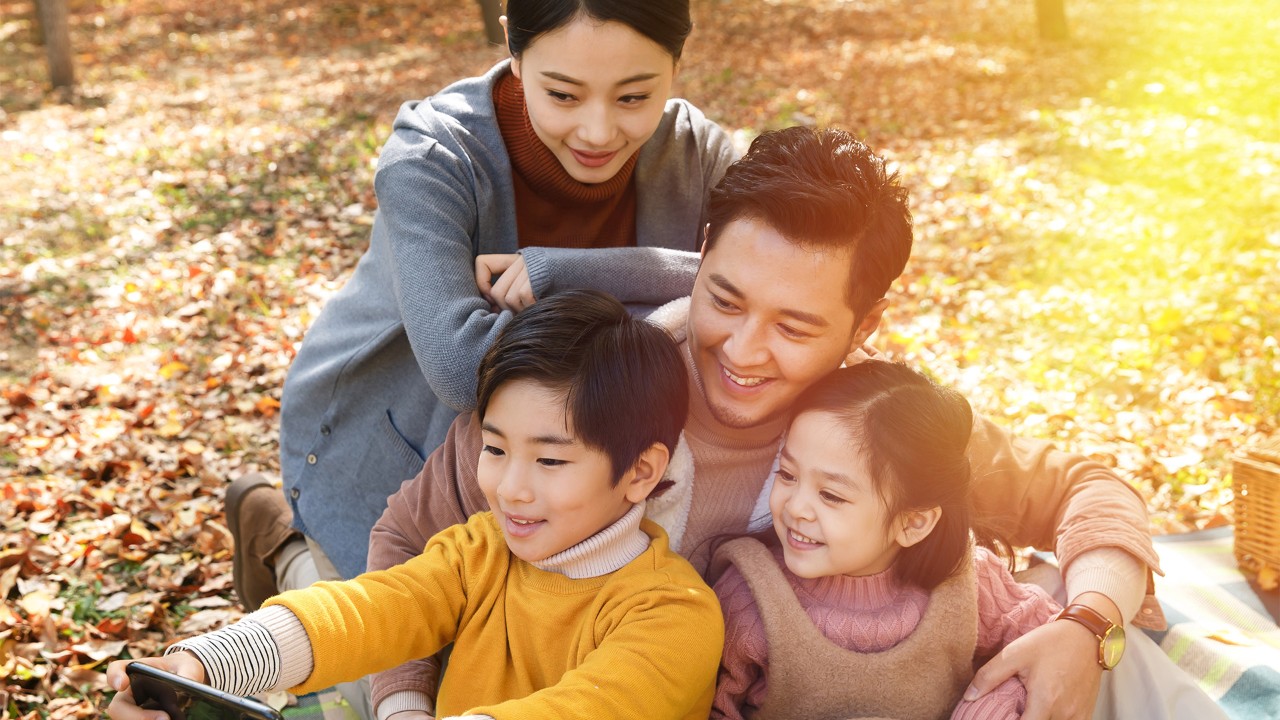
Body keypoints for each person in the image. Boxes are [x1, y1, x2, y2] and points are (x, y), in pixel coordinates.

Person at [368, 126, 1228, 720]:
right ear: (699, 263)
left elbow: (1086, 487)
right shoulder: (583, 392)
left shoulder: (870, 426)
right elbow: (405, 541)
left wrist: (1088, 632)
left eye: (796, 326)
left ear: (866, 327)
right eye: (725, 298)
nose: (743, 351)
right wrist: (405, 704)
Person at [232, 0, 736, 611]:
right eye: (564, 94)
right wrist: (699, 288)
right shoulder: (433, 158)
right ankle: (277, 537)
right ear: (514, 52)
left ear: (677, 64)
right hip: (397, 450)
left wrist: (561, 271)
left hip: (587, 479)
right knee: (382, 677)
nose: (599, 132)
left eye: (634, 97)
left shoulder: (699, 154)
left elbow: (780, 284)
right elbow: (463, 365)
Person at [106, 290, 723, 720]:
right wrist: (206, 663)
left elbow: (583, 709)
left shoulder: (676, 617)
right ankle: (276, 537)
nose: (510, 487)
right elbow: (376, 608)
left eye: (551, 460)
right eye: (495, 449)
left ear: (641, 471)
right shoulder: (481, 550)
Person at [709, 361, 1062, 719]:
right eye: (787, 474)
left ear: (913, 523)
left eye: (831, 495)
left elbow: (1052, 649)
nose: (796, 507)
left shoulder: (968, 583)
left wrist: (987, 708)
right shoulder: (749, 599)